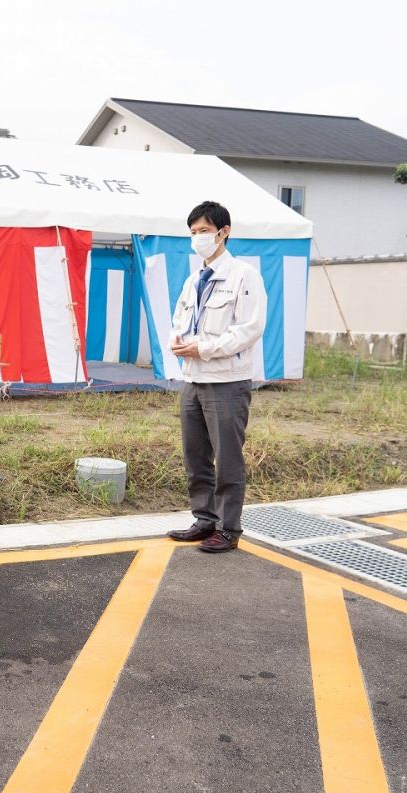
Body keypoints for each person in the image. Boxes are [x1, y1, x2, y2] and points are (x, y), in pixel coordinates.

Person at [166, 201, 268, 553]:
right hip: (192, 380)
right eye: (193, 233)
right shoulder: (194, 279)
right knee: (195, 455)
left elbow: (250, 329)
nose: (198, 238)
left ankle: (228, 529)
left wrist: (203, 348)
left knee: (227, 459)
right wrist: (177, 342)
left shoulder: (243, 275)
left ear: (223, 232)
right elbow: (179, 319)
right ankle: (204, 518)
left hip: (226, 381)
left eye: (204, 231)